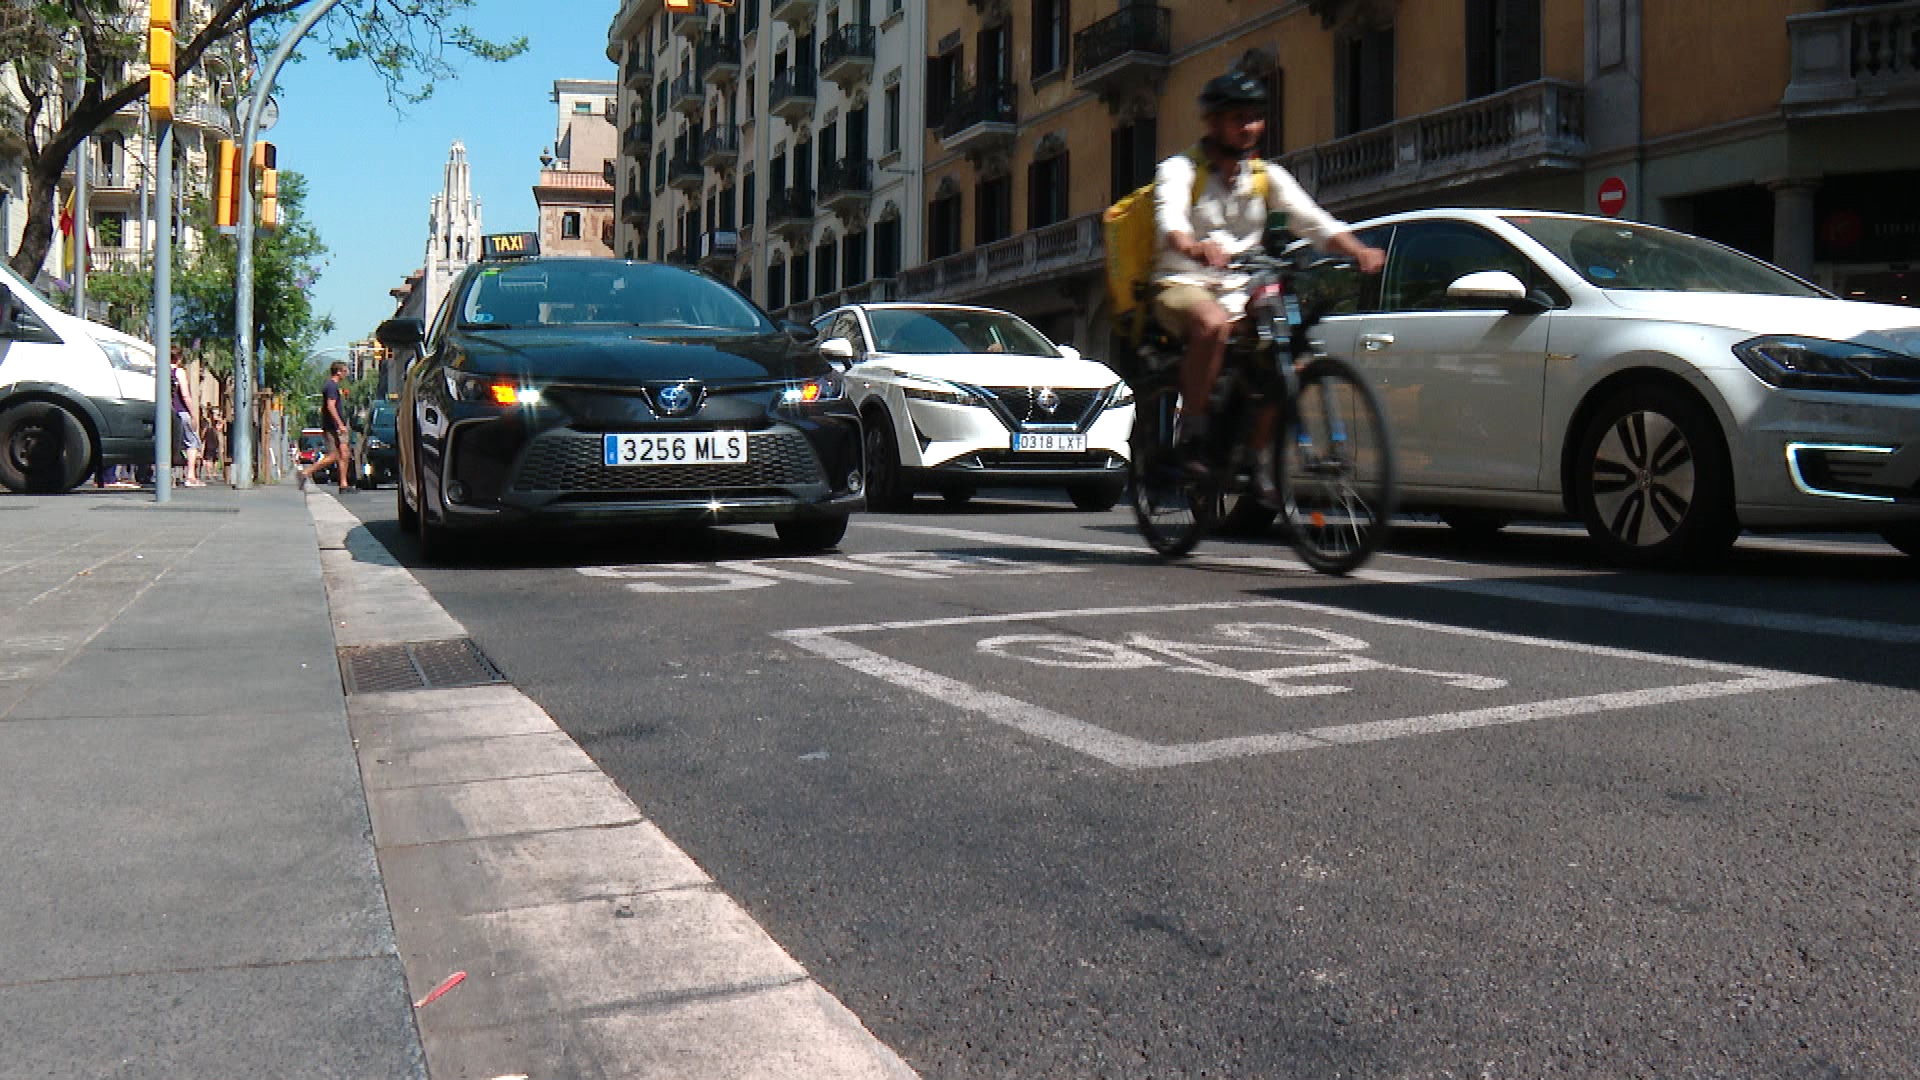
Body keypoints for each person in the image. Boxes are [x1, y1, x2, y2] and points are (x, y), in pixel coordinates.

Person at [1152, 70, 1387, 489]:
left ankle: (1254, 457)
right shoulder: (1179, 169)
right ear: (1212, 122)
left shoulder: (1265, 177)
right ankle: (1191, 435)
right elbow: (1170, 221)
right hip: (1182, 281)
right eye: (1236, 118)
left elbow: (1313, 221)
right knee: (1211, 324)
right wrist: (1194, 247)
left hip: (1241, 287)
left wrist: (1359, 250)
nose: (1248, 127)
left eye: (1255, 117)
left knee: (1288, 356)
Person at [297, 362, 353, 493]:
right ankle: (306, 472)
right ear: (338, 372)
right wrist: (339, 424)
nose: (346, 373)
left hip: (334, 426)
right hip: (333, 426)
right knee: (334, 455)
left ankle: (344, 484)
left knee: (344, 453)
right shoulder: (331, 386)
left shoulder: (332, 386)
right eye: (345, 371)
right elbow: (330, 406)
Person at [170, 348, 205, 487]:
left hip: (165, 412)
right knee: (192, 441)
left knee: (170, 443)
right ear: (178, 358)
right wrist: (193, 414)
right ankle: (190, 476)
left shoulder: (160, 372)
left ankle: (167, 475)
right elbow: (185, 395)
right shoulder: (179, 372)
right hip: (180, 411)